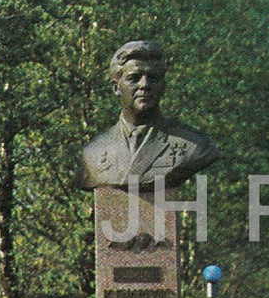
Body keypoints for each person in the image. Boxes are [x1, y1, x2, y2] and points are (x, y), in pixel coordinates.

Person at [73, 40, 221, 191]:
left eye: (153, 78)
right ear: (116, 88)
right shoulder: (92, 153)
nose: (144, 85)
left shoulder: (195, 145)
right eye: (134, 78)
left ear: (163, 86)